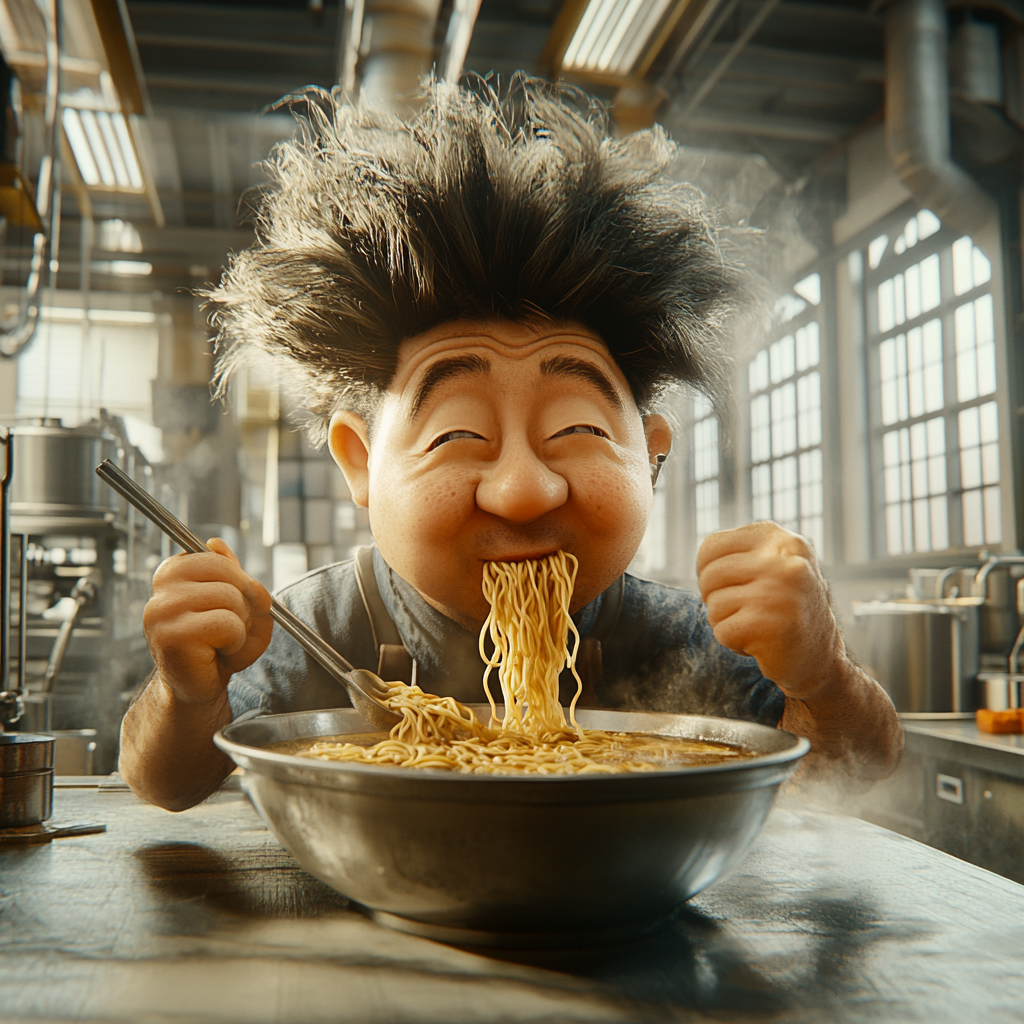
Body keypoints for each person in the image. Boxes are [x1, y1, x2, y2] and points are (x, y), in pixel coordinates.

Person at [119, 77, 902, 811]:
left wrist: (822, 673)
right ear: (361, 462)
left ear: (652, 454)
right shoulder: (311, 630)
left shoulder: (686, 638)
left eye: (578, 431)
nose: (524, 491)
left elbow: (855, 768)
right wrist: (184, 695)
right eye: (459, 435)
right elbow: (166, 785)